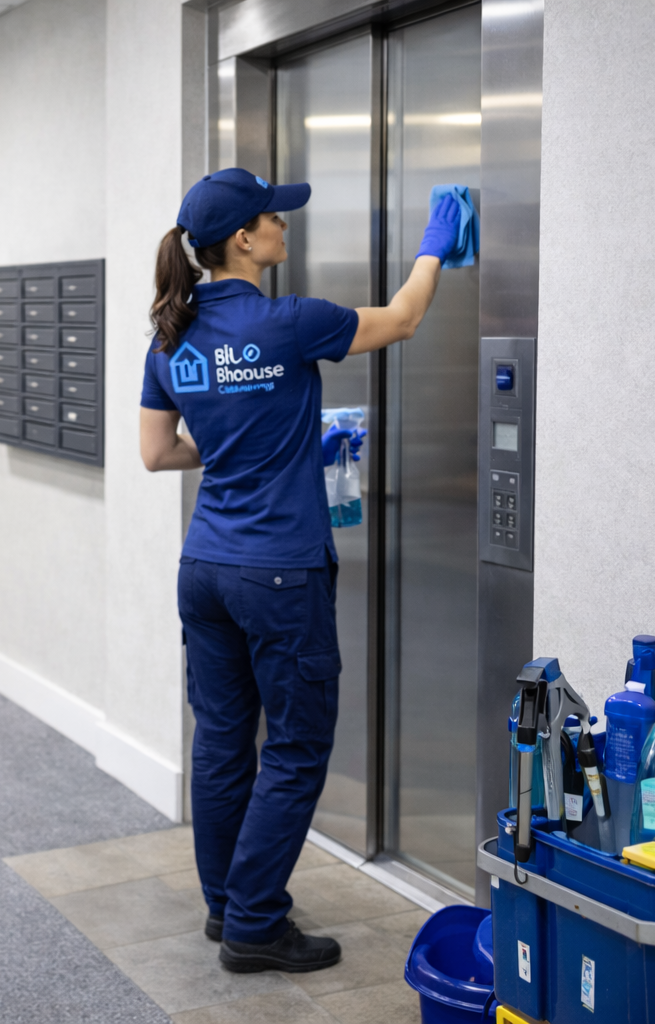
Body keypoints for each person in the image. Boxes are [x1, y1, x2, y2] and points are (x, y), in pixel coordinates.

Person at [139, 167, 463, 974]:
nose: (286, 225)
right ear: (244, 239)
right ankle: (254, 924)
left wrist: (230, 451)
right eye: (274, 218)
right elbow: (404, 320)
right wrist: (434, 247)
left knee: (221, 742)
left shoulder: (171, 336)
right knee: (294, 747)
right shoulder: (287, 322)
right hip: (279, 571)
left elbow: (156, 453)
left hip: (207, 564)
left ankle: (227, 907)